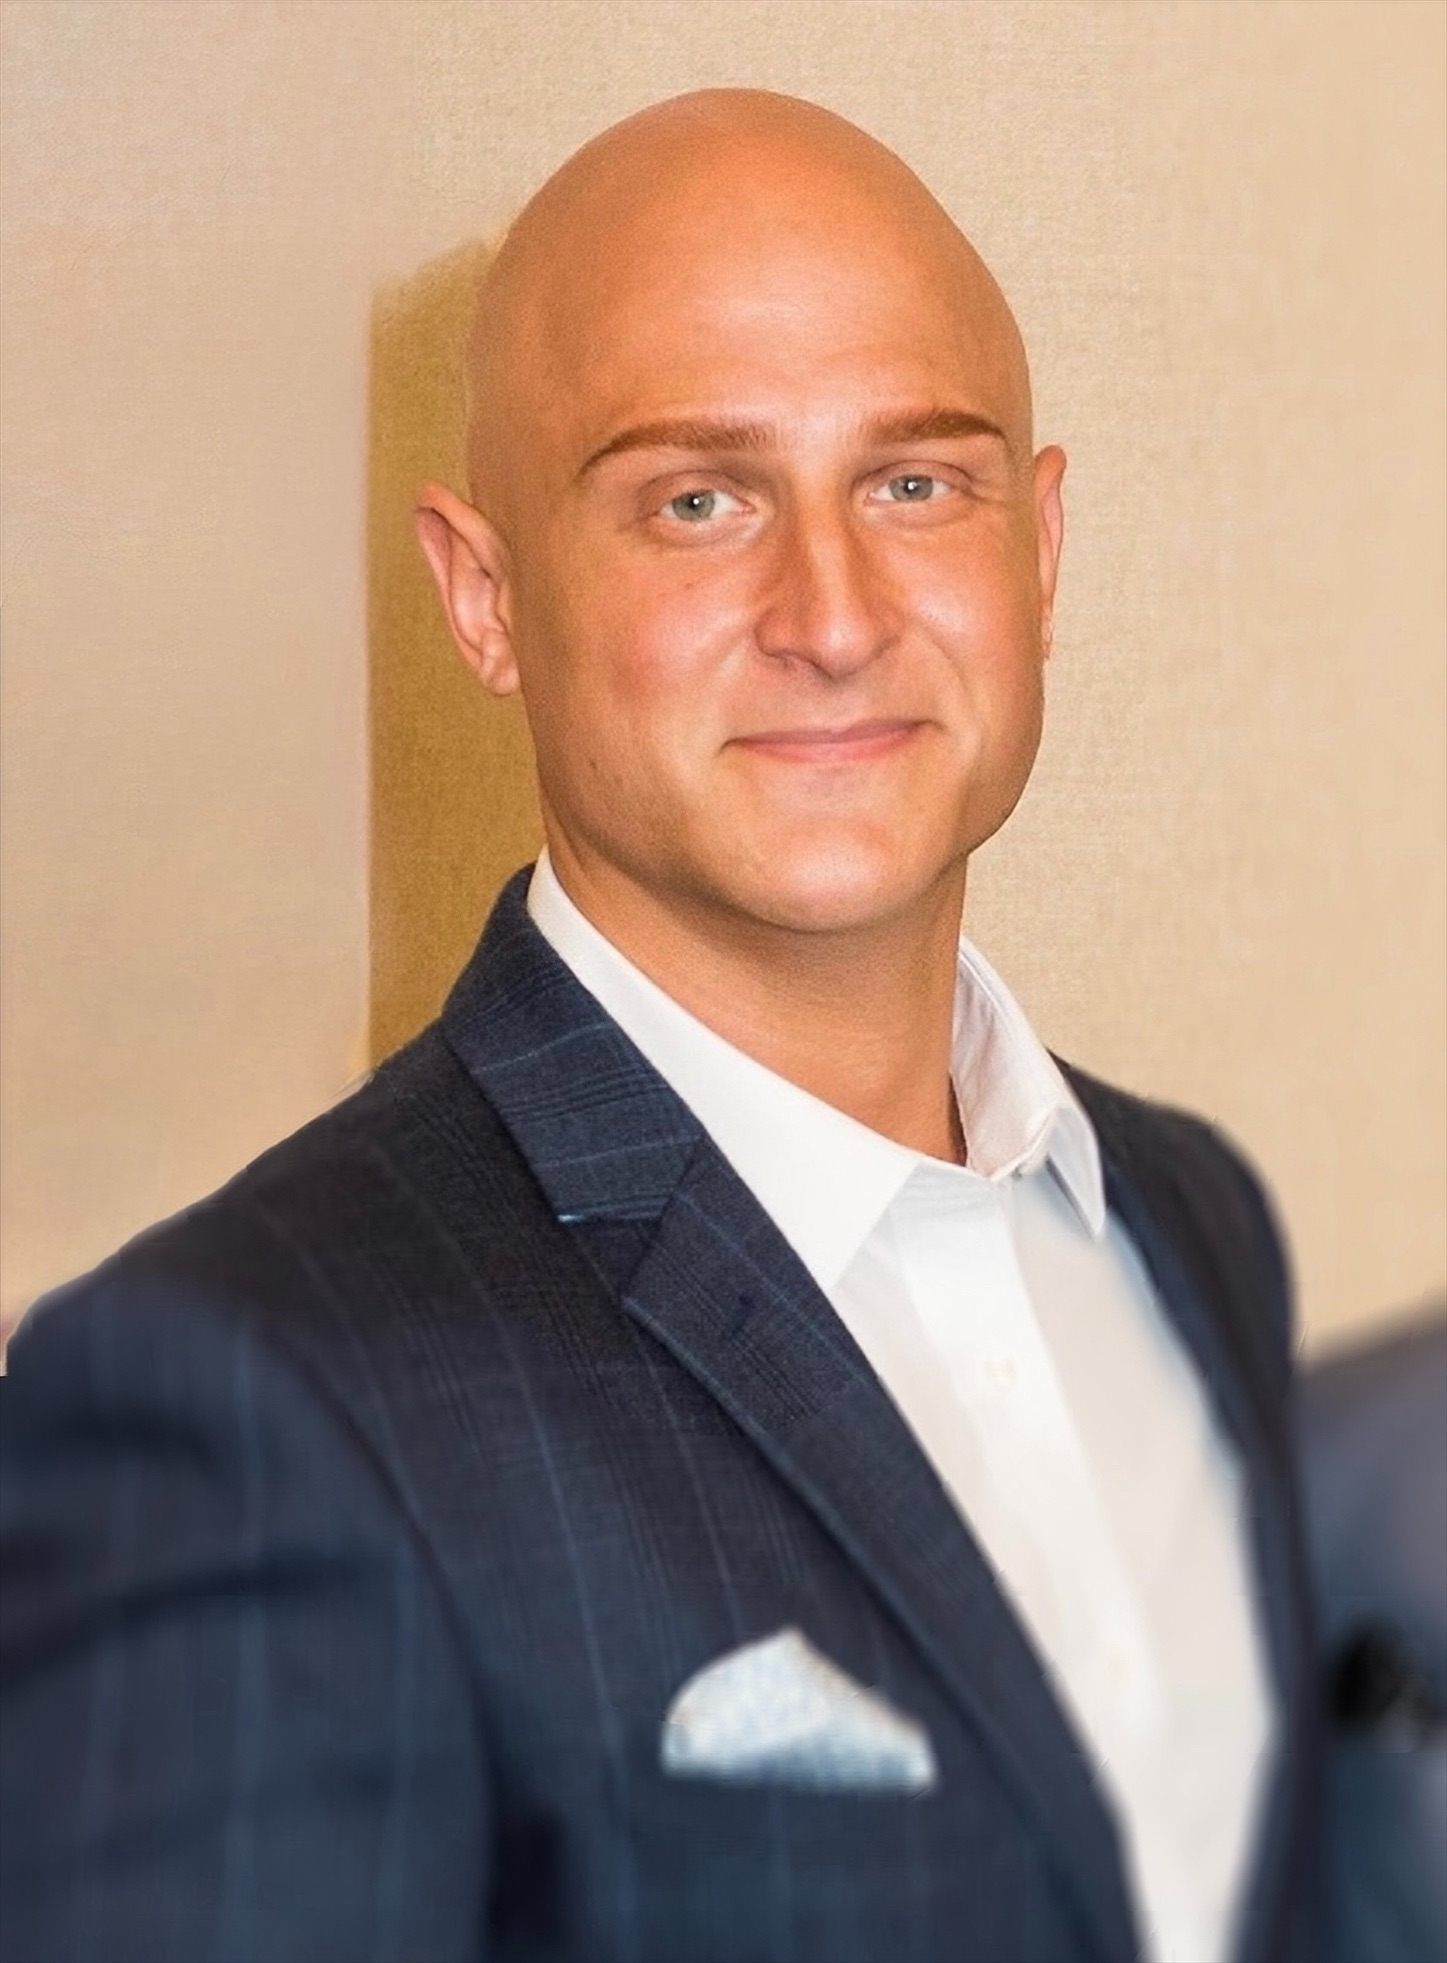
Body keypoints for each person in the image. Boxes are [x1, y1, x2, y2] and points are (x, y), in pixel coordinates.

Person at [0, 89, 1321, 1963]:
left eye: (915, 484)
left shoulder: (1191, 1228)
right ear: (485, 598)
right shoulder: (229, 1396)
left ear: (1039, 549)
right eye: (699, 502)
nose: (834, 617)